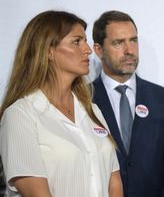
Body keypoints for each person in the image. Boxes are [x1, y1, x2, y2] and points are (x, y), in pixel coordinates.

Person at [0, 10, 122, 197]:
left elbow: (114, 183)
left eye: (85, 40)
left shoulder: (93, 111)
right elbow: (37, 194)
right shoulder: (20, 115)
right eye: (76, 41)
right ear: (48, 50)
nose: (88, 49)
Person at [92, 10, 164, 197]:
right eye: (118, 43)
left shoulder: (162, 99)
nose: (129, 50)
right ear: (98, 50)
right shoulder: (83, 100)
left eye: (133, 40)